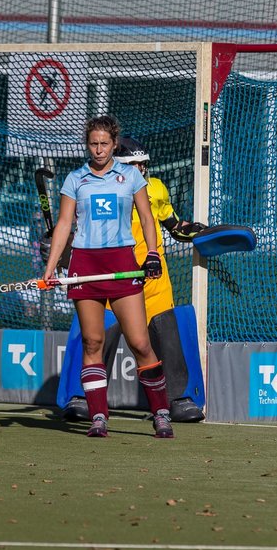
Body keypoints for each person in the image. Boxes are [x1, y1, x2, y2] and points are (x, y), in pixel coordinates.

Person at [41, 115, 175, 439]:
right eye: (93, 144)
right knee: (93, 341)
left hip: (122, 260)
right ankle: (98, 415)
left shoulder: (131, 176)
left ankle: (160, 412)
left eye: (104, 143)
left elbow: (146, 217)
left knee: (140, 342)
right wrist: (51, 266)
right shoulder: (75, 179)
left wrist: (153, 254)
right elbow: (63, 225)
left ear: (114, 143)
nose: (98, 150)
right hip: (85, 264)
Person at [59, 136, 207, 423]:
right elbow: (78, 228)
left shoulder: (156, 188)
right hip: (112, 276)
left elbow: (172, 223)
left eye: (143, 164)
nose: (140, 169)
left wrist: (193, 229)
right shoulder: (99, 185)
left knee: (165, 335)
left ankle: (178, 398)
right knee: (97, 338)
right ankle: (82, 397)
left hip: (152, 279)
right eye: (133, 164)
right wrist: (60, 249)